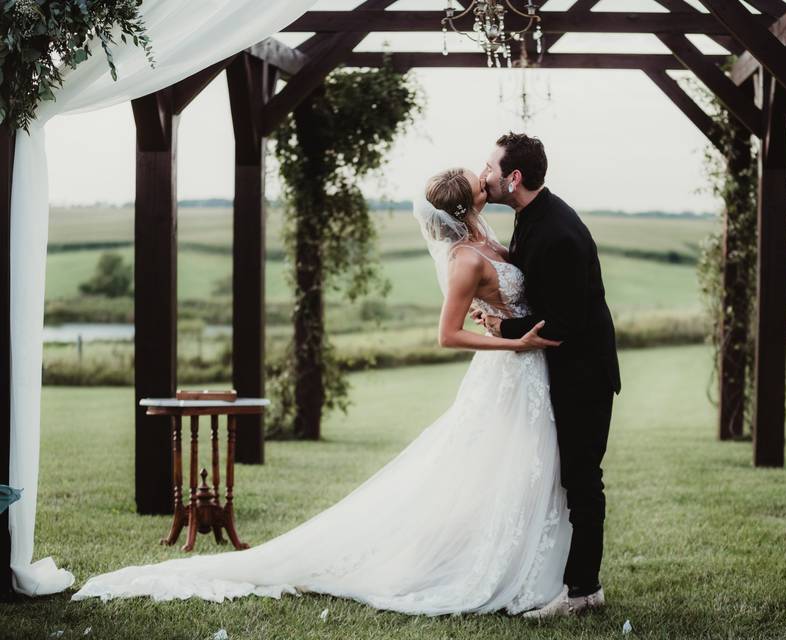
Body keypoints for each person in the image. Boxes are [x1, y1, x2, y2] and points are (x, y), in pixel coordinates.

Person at [71, 167, 575, 616]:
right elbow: (446, 335)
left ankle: (521, 560)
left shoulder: (483, 233)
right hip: (508, 372)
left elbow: (504, 296)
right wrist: (514, 341)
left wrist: (507, 325)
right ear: (467, 206)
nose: (485, 176)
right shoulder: (463, 258)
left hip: (527, 370)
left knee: (517, 468)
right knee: (501, 466)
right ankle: (483, 566)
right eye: (477, 178)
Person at [477, 133, 620, 619]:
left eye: (491, 167)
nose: (485, 175)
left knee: (583, 481)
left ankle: (582, 593)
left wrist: (503, 326)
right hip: (562, 371)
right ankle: (570, 584)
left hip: (583, 375)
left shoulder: (557, 231)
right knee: (566, 479)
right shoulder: (532, 217)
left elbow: (563, 323)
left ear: (513, 177)